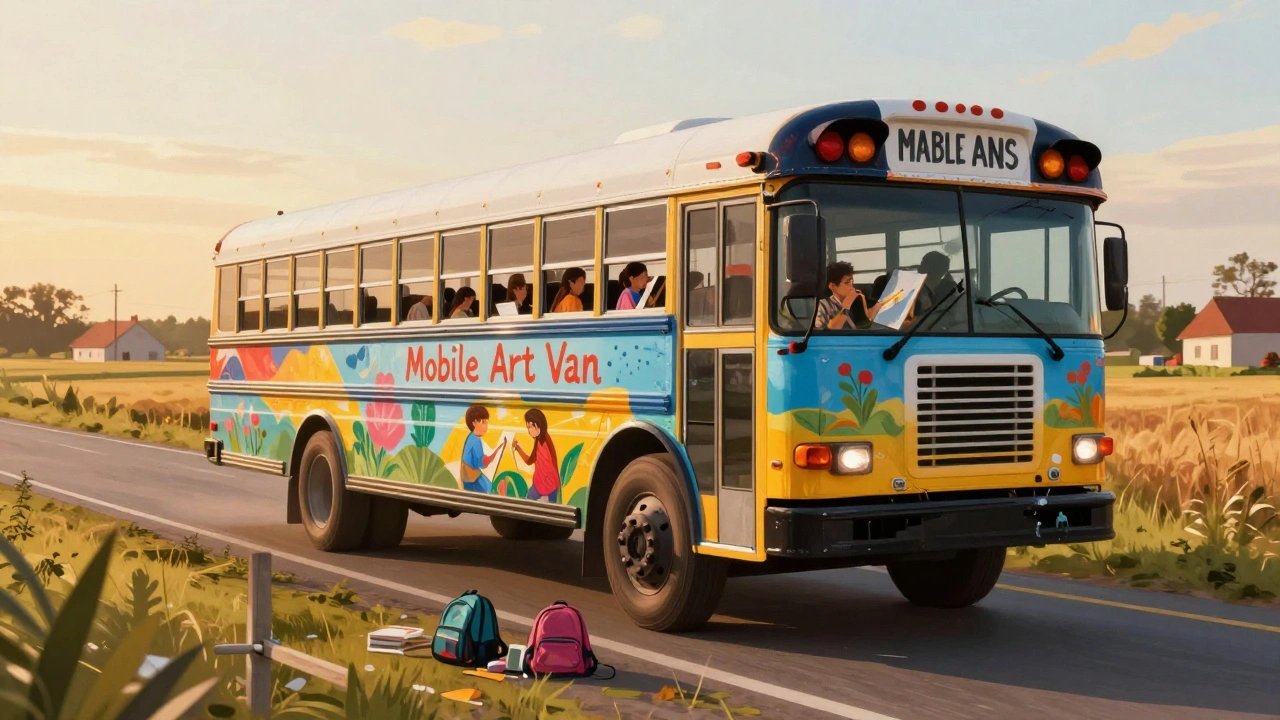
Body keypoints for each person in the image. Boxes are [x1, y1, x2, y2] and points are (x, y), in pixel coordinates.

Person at [815, 261, 883, 330]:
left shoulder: (857, 302)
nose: (851, 286)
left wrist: (870, 316)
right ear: (832, 285)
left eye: (852, 282)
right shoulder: (823, 305)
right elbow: (824, 332)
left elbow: (862, 329)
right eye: (847, 282)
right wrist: (847, 304)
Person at [512, 408, 561, 503]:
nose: (529, 431)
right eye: (528, 427)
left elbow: (546, 468)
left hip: (545, 484)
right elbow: (530, 460)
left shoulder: (542, 444)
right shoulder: (541, 440)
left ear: (538, 425)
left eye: (530, 427)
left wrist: (543, 485)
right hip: (550, 484)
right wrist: (517, 447)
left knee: (529, 501)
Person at [460, 405, 506, 494]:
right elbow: (482, 463)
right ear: (474, 423)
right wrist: (497, 451)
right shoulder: (475, 440)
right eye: (483, 422)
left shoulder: (471, 437)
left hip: (472, 479)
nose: (486, 426)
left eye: (486, 422)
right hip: (473, 483)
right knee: (497, 487)